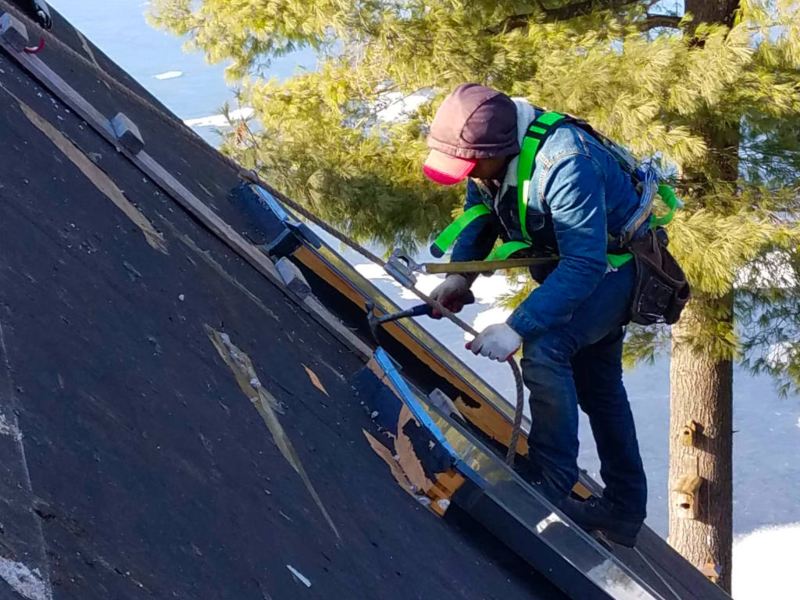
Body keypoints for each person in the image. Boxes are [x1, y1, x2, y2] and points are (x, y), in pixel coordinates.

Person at [423, 83, 647, 547]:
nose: (470, 173)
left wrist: (516, 327)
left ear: (500, 149)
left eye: (471, 166)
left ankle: (549, 478)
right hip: (581, 270)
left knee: (546, 350)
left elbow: (585, 264)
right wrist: (460, 279)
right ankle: (623, 509)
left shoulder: (566, 163)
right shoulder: (487, 154)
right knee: (600, 387)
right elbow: (481, 214)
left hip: (614, 270)